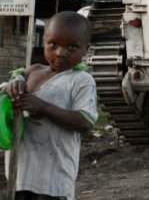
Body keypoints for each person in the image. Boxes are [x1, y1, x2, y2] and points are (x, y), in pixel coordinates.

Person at [3, 11, 98, 199]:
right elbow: (7, 92)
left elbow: (84, 121)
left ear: (85, 49)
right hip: (20, 170)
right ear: (44, 41)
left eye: (72, 47)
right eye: (53, 44)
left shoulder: (81, 80)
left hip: (54, 173)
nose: (61, 52)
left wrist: (42, 107)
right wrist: (12, 87)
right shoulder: (32, 71)